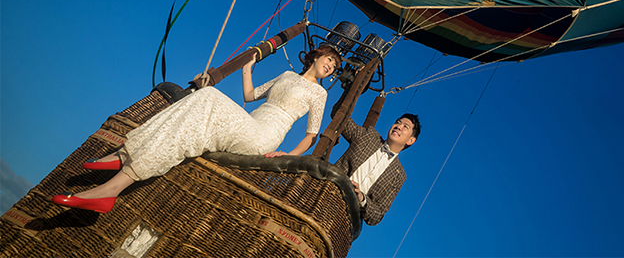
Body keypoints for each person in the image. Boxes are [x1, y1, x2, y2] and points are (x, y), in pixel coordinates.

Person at [52, 45, 342, 214]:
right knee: (195, 111)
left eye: (335, 65)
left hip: (265, 135)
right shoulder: (288, 75)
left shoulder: (320, 94)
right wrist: (247, 67)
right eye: (329, 59)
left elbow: (311, 135)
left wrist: (289, 154)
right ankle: (119, 169)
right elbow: (250, 95)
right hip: (249, 121)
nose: (331, 65)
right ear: (317, 56)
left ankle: (123, 161)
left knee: (208, 96)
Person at [333, 113, 419, 225]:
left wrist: (362, 198)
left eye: (405, 127)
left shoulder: (399, 176)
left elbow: (377, 215)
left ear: (411, 140)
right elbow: (340, 117)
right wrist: (348, 101)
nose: (398, 126)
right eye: (397, 122)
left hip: (344, 219)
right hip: (327, 191)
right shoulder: (370, 136)